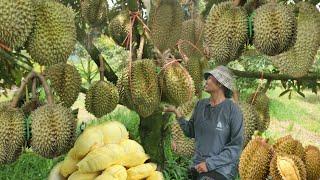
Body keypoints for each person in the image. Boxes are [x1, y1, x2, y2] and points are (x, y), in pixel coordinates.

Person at [164, 65, 244, 180]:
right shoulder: (200, 105)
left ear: (220, 84)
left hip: (221, 169)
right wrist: (177, 114)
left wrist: (209, 164)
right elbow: (190, 131)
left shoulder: (233, 110)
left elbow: (236, 147)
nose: (206, 81)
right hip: (198, 165)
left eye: (210, 78)